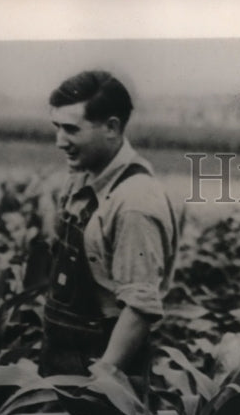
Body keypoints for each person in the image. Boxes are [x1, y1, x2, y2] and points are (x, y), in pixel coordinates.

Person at [39, 70, 178, 397]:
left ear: (112, 128)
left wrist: (102, 382)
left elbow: (140, 307)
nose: (59, 141)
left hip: (99, 369)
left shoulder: (135, 204)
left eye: (71, 129)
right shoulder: (82, 176)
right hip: (59, 358)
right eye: (56, 127)